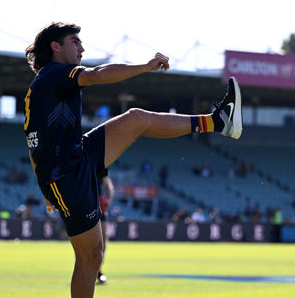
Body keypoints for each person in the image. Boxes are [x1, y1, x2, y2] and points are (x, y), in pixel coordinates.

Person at [23, 22, 242, 298]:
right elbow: (98, 74)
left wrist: (44, 187)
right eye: (74, 41)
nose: (82, 47)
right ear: (55, 46)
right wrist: (145, 66)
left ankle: (218, 122)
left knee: (136, 118)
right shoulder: (54, 73)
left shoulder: (47, 81)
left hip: (76, 155)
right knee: (91, 256)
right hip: (65, 172)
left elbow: (33, 143)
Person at [97, 175, 114, 284]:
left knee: (103, 242)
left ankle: (98, 271)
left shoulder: (97, 163)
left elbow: (108, 184)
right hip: (84, 205)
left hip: (99, 206)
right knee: (84, 243)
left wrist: (108, 199)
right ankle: (85, 271)